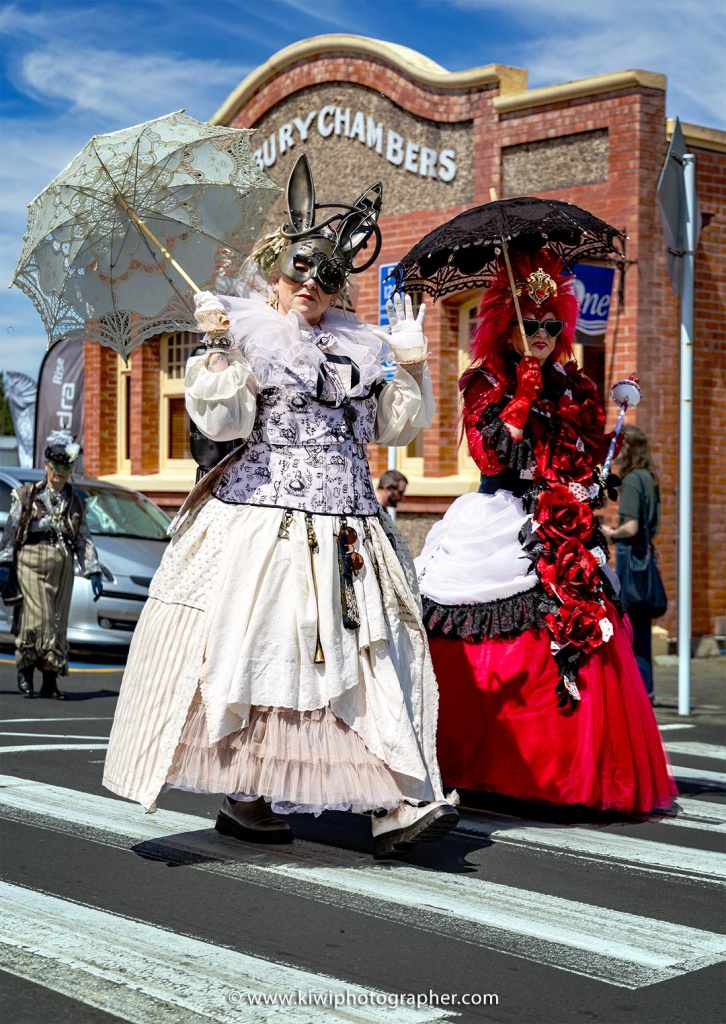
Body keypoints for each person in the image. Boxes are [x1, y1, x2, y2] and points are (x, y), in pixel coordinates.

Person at [102, 155, 459, 857]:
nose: (310, 287)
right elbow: (224, 425)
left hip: (352, 525)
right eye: (299, 272)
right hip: (266, 519)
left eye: (326, 277)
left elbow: (389, 430)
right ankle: (249, 798)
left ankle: (396, 801)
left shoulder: (355, 344)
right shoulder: (243, 332)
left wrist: (411, 365)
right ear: (276, 271)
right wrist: (213, 348)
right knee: (264, 654)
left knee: (371, 654)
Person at [415, 249, 676, 815]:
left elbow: (576, 453)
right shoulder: (482, 380)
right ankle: (476, 767)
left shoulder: (573, 382)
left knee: (587, 631)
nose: (542, 334)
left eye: (552, 324)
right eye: (530, 324)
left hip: (560, 514)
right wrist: (523, 395)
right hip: (500, 516)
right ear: (506, 326)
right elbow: (491, 454)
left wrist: (588, 469)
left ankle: (566, 777)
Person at [0, 432, 103, 699]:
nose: (59, 471)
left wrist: (92, 569)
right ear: (47, 466)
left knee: (57, 622)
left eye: (65, 466)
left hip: (63, 567)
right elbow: (10, 531)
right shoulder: (26, 496)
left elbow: (83, 538)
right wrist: (5, 563)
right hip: (31, 564)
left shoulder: (76, 501)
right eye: (55, 465)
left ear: (71, 469)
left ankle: (50, 680)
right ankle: (25, 670)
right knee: (39, 619)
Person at [602, 425, 663, 702]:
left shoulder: (632, 481)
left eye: (619, 445)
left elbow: (631, 526)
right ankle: (645, 688)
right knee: (641, 629)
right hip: (646, 556)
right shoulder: (648, 478)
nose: (615, 451)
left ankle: (635, 690)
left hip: (631, 558)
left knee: (626, 625)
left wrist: (609, 533)